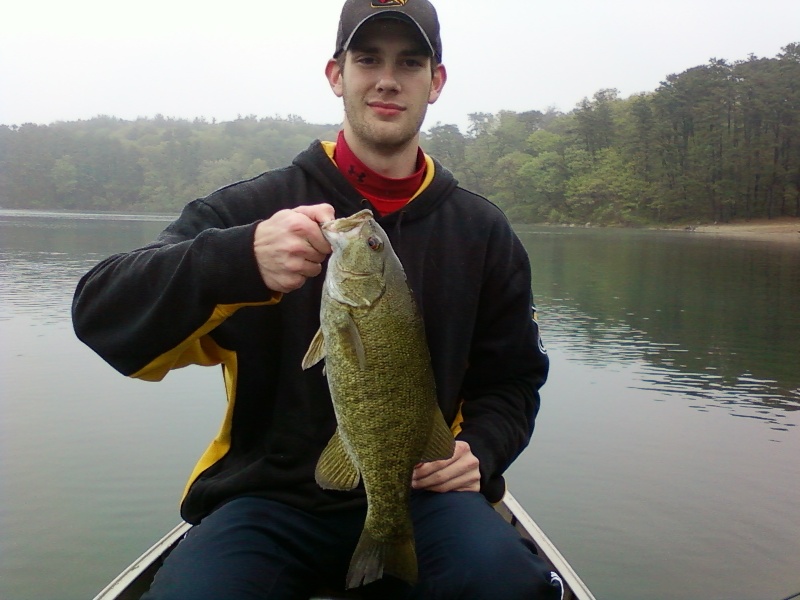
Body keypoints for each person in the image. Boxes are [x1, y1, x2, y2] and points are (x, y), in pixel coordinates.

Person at [72, 1, 559, 598]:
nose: (387, 78)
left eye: (410, 62)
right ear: (336, 75)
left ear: (435, 82)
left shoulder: (484, 232)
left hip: (423, 494)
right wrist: (236, 260)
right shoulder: (246, 212)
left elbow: (512, 381)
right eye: (367, 59)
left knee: (509, 585)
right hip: (266, 501)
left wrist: (481, 448)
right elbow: (99, 312)